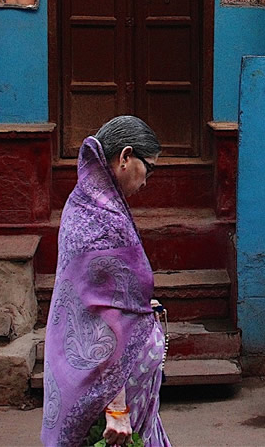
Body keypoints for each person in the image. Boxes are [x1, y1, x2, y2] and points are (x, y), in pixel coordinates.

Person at [41, 115, 169, 447]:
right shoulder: (104, 221)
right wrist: (116, 407)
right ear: (125, 157)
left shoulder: (82, 203)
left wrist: (139, 308)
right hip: (106, 390)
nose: (147, 181)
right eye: (149, 169)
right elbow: (101, 319)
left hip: (88, 373)